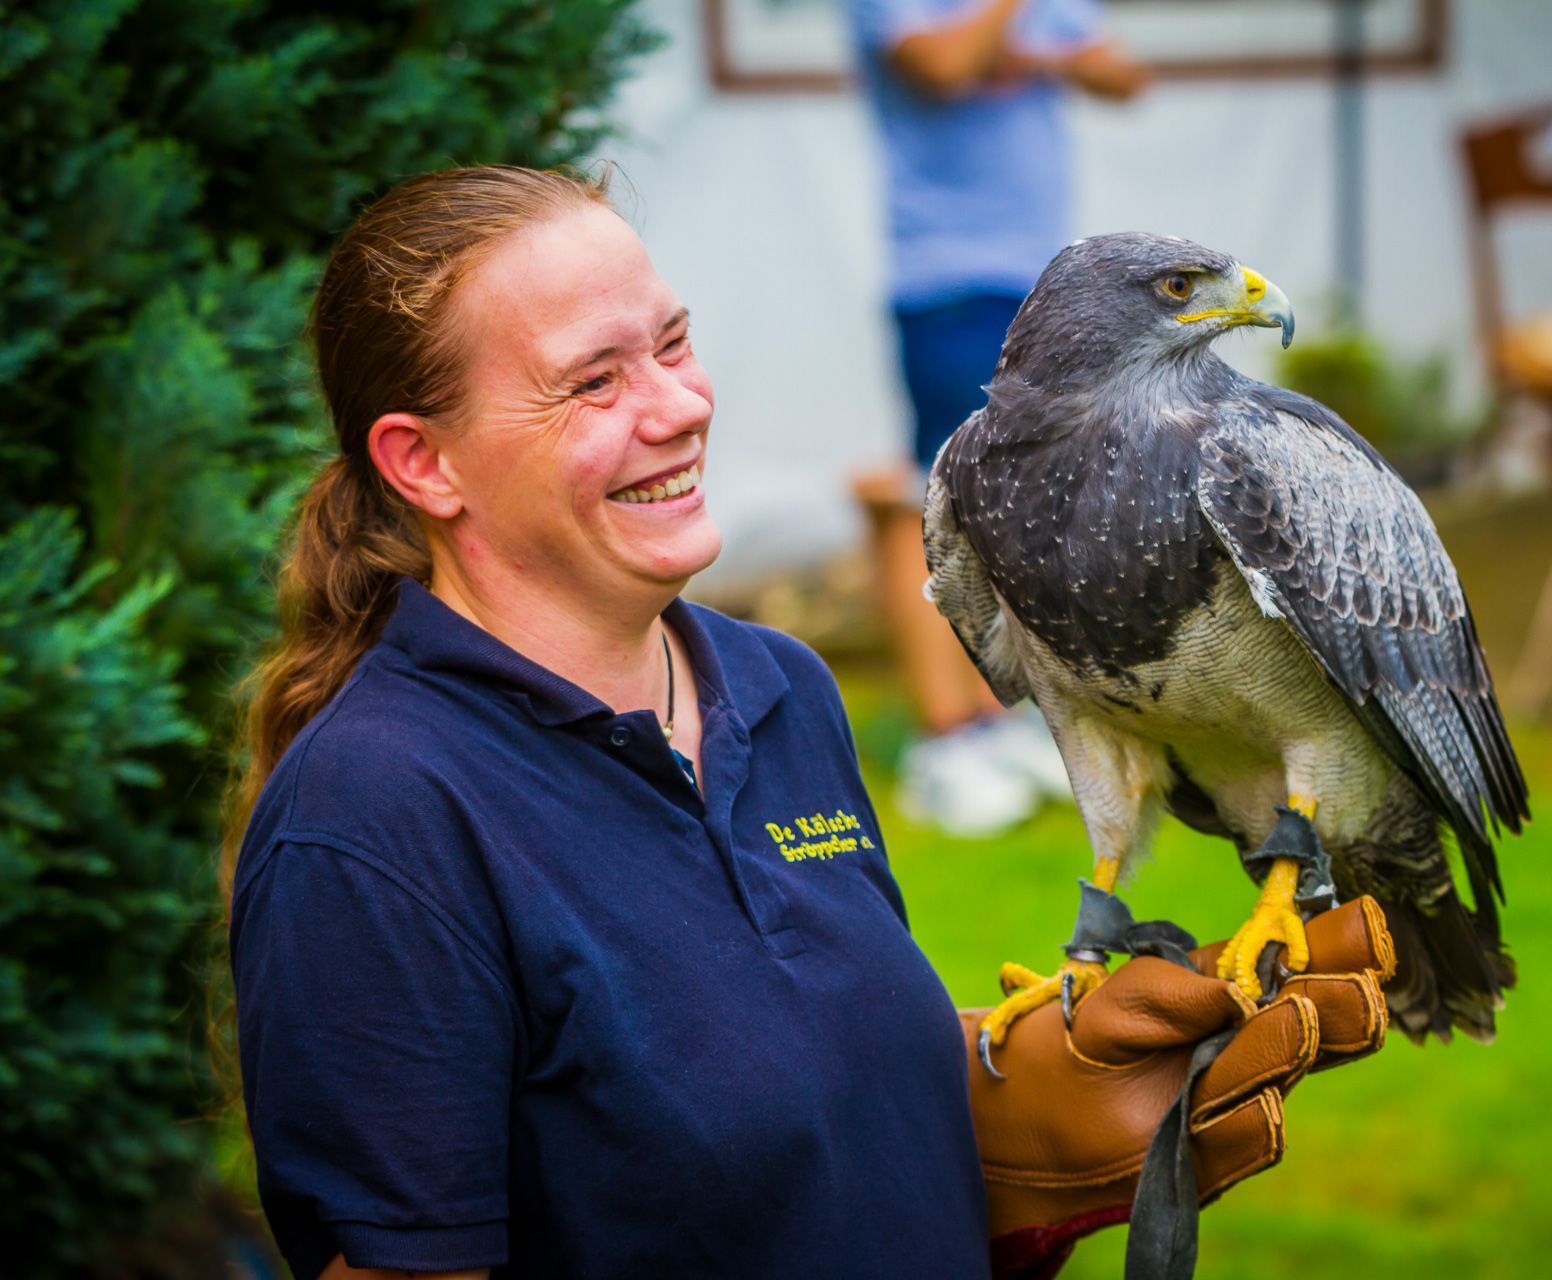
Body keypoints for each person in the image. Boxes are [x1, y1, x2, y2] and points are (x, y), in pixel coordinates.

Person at [222, 165, 1394, 1280]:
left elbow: (777, 1117)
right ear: (423, 463)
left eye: (672, 344)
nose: (681, 406)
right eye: (594, 383)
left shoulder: (776, 685)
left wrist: (1012, 1132)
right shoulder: (375, 819)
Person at [848, 0, 1147, 834]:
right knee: (936, 496)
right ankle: (947, 741)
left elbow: (1122, 76)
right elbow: (942, 65)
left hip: (1040, 277)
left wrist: (1036, 57)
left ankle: (1001, 717)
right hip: (946, 280)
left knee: (1026, 508)